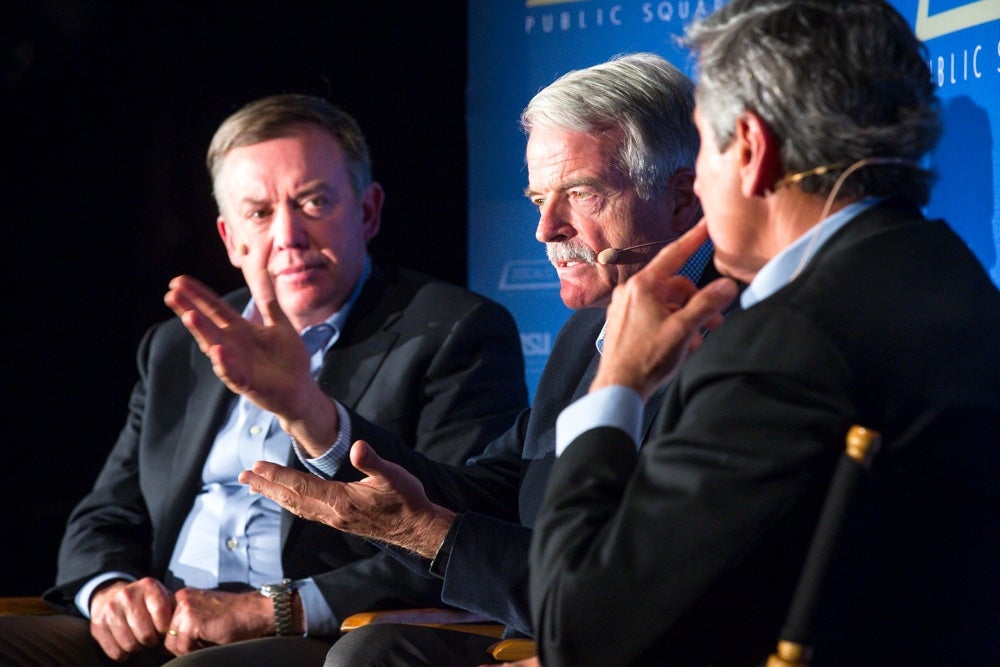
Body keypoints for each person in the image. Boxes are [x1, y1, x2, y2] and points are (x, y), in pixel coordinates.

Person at [182, 53, 711, 666]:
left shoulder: (734, 336)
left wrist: (424, 532)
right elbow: (491, 492)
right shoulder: (584, 336)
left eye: (580, 193)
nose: (544, 229)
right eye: (538, 197)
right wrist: (309, 414)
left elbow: (649, 582)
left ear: (679, 198)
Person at [521, 1, 1000, 665]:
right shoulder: (950, 275)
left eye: (703, 147)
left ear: (749, 150)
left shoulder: (785, 348)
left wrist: (617, 383)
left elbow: (581, 634)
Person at [0, 93, 529, 666]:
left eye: (313, 202)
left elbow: (455, 533)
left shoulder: (453, 331)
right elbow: (108, 513)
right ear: (231, 239)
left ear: (368, 212)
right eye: (259, 213)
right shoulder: (179, 344)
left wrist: (274, 608)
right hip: (160, 627)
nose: (288, 236)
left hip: (312, 635)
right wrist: (107, 592)